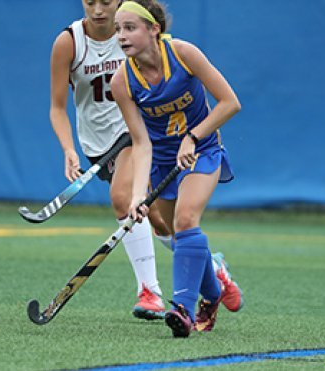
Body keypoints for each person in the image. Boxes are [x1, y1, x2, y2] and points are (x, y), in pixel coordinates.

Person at [111, 0, 242, 337]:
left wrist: (193, 137)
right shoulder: (122, 82)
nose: (121, 36)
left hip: (202, 149)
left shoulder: (184, 54)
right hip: (162, 161)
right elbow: (141, 144)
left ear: (154, 29)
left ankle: (181, 307)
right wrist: (139, 196)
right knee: (171, 233)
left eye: (130, 28)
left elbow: (230, 103)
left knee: (186, 221)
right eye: (118, 29)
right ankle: (213, 293)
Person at [50, 0, 170, 320]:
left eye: (107, 1)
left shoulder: (132, 32)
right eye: (91, 1)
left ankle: (150, 292)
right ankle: (211, 268)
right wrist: (68, 149)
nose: (99, 9)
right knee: (156, 219)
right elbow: (57, 107)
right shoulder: (69, 42)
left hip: (134, 132)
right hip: (96, 145)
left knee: (122, 199)